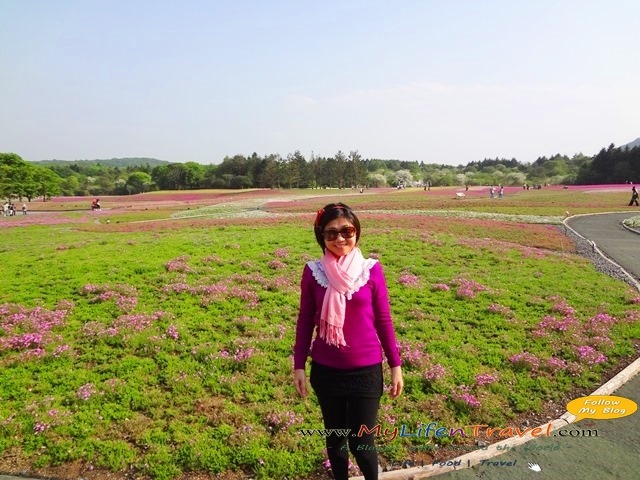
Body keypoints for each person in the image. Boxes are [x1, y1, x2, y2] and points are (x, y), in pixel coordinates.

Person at [293, 203, 403, 480]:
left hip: (366, 372)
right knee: (337, 442)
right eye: (331, 233)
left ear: (357, 232)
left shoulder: (371, 270)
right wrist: (298, 366)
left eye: (347, 231)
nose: (340, 239)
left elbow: (383, 319)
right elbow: (305, 320)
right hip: (326, 371)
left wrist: (395, 364)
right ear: (321, 237)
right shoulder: (313, 272)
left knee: (363, 445)